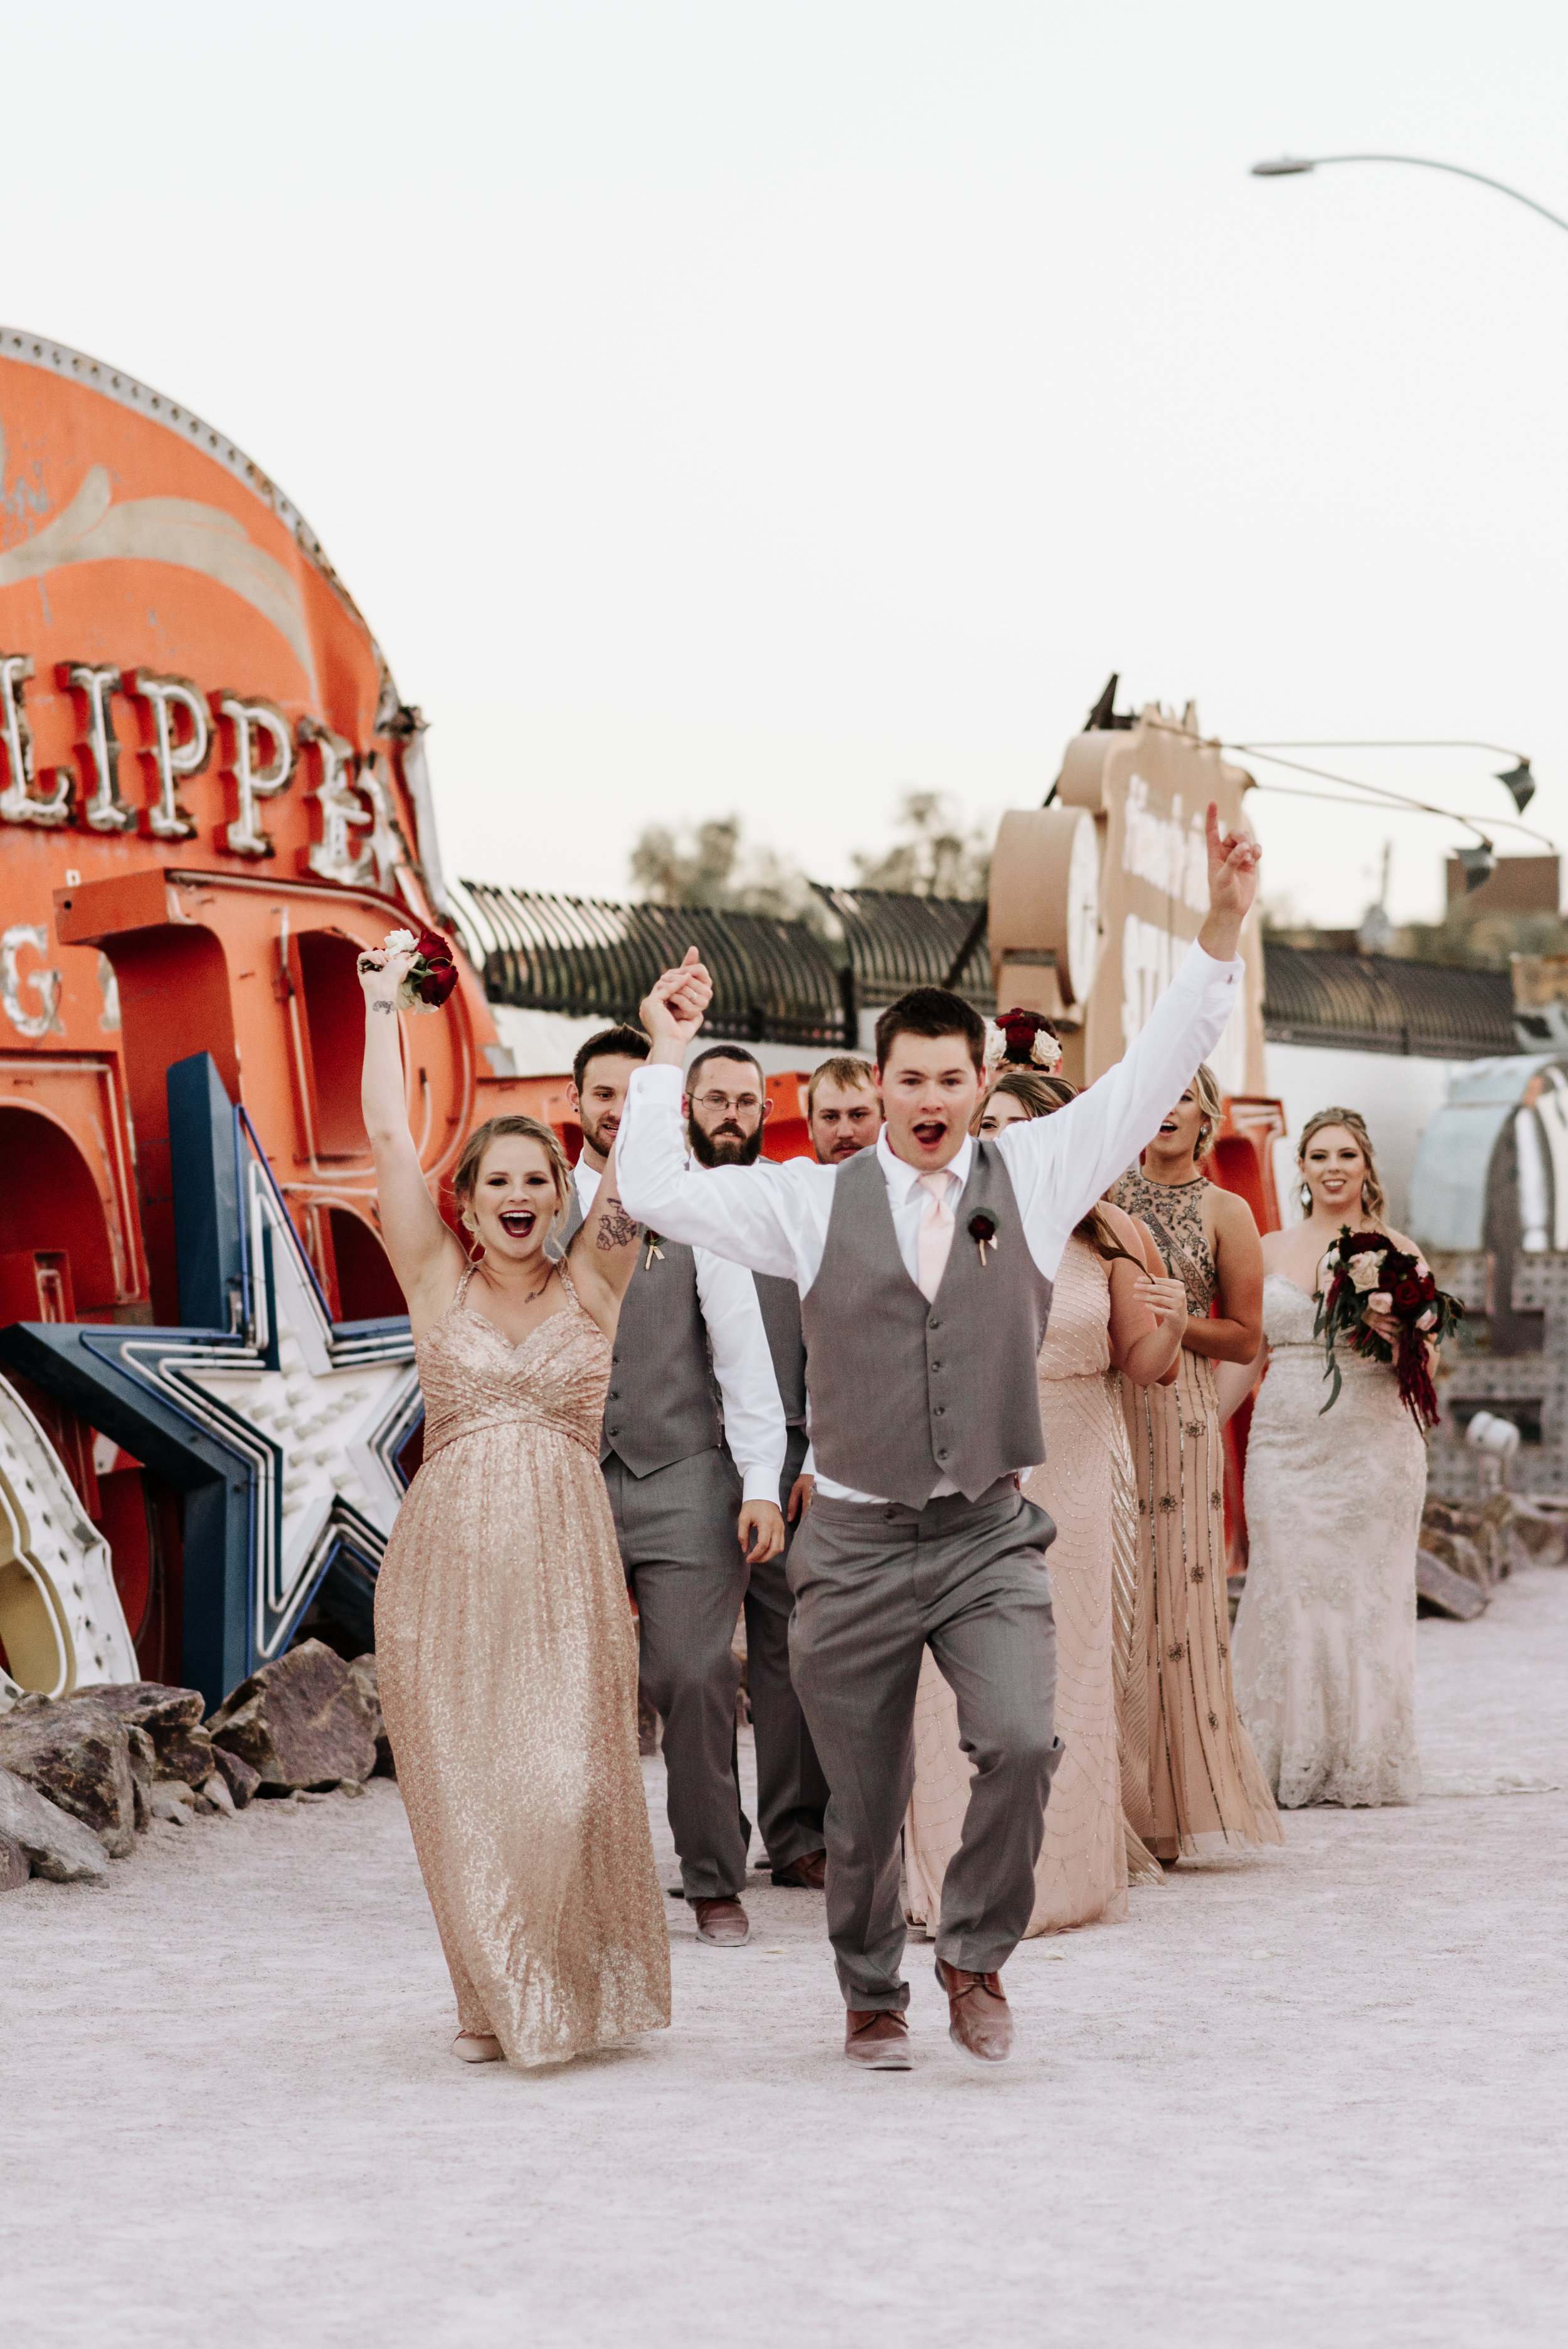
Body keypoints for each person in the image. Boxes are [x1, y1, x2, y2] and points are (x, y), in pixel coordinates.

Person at [614, 803, 1259, 2070]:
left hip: (984, 1534)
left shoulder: (1037, 1176)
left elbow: (1143, 1076)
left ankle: (971, 1955)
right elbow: (655, 1192)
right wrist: (661, 1054)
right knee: (861, 1801)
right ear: (876, 1085)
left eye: (945, 1079)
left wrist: (1221, 925)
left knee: (1020, 1740)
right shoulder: (808, 1202)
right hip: (848, 1542)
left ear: (976, 1089)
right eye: (901, 1079)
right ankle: (868, 1990)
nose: (923, 1098)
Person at [358, 949, 669, 2068]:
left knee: (567, 1783)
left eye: (540, 1180)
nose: (524, 1198)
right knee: (466, 1788)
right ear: (470, 1202)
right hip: (444, 1573)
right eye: (501, 1183)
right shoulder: (435, 1283)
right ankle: (493, 1994)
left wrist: (667, 1046)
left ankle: (558, 1975)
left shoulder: (597, 1282)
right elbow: (391, 1139)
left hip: (567, 1571)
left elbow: (641, 1170)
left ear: (560, 1191)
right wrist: (376, 1006)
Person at [904, 1068, 1187, 1938]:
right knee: (956, 1676)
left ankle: (1065, 1877)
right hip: (969, 1471)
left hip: (1079, 1462)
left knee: (1071, 1667)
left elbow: (1147, 1365)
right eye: (993, 1123)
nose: (1004, 1138)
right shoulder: (937, 1221)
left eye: (1024, 1124)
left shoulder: (1112, 1233)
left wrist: (1171, 1321)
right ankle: (954, 1874)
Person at [553, 1027, 790, 1947]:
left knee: (691, 1673)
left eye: (632, 1093)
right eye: (601, 1094)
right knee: (561, 1685)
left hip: (685, 1471)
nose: (616, 1109)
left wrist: (761, 1482)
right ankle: (568, 1874)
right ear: (576, 1105)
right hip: (565, 1476)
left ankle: (712, 1877)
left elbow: (743, 1354)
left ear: (661, 1105)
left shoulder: (691, 1205)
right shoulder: (539, 1197)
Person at [1223, 1110, 1426, 1809]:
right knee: (1289, 1587)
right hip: (1284, 1440)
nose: (1332, 1165)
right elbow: (1248, 1351)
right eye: (1318, 1154)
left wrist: (1393, 1328)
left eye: (1345, 1153)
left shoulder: (1401, 1251)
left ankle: (1359, 1757)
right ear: (1301, 1168)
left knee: (1365, 1598)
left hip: (1375, 1444)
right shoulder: (1268, 1244)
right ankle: (1281, 1754)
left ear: (1366, 1165)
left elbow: (1427, 1363)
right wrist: (1200, 1425)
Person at [1112, 1067, 1283, 1864]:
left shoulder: (1227, 1210)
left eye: (1182, 1096)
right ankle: (1109, 1802)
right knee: (1113, 1596)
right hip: (1104, 1408)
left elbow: (1246, 1337)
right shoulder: (1104, 1192)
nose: (1167, 1111)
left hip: (1179, 1418)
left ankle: (1171, 1811)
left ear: (1206, 1115)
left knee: (1169, 1604)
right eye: (1156, 1096)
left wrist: (1180, 1323)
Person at [682, 1042, 830, 1891]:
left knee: (783, 1650)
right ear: (690, 1108)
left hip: (781, 1455)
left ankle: (795, 1831)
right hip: (673, 1458)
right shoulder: (658, 1204)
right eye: (716, 1100)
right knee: (694, 1662)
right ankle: (712, 1837)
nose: (732, 1113)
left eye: (746, 1100)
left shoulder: (784, 1206)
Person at [808, 1056, 882, 1165]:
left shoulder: (914, 1179)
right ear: (810, 1126)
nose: (845, 1133)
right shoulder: (790, 1180)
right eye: (830, 1117)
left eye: (858, 1115)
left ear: (884, 1120)